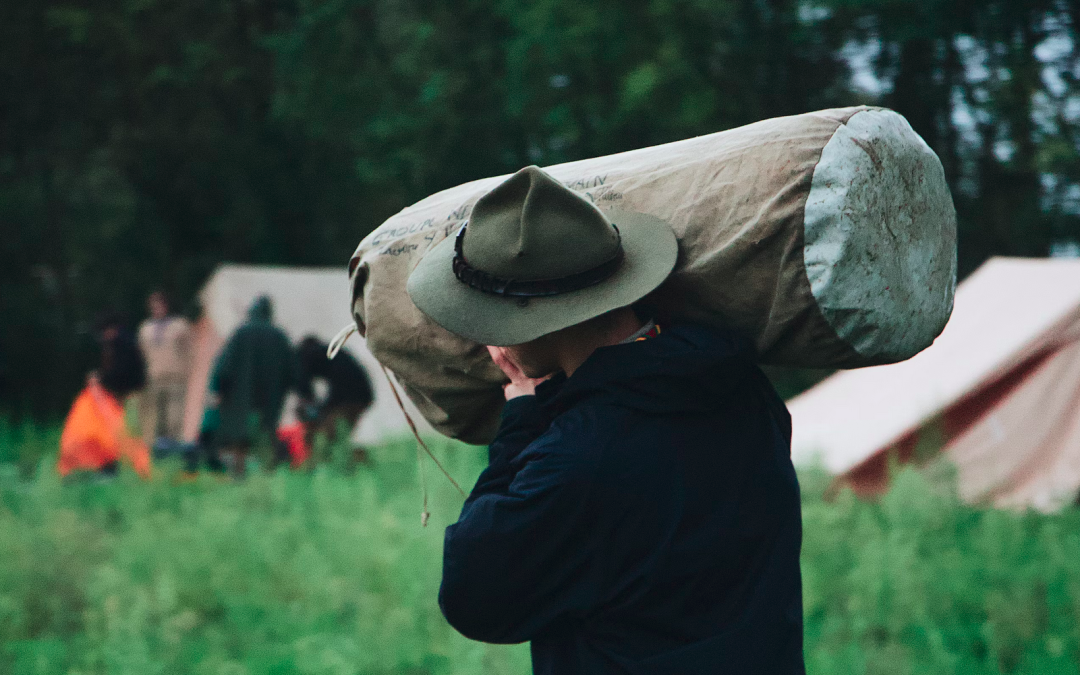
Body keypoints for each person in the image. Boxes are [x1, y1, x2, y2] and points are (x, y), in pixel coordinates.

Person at [406, 166, 804, 673]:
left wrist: (522, 424)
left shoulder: (577, 460)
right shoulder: (740, 387)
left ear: (536, 320)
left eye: (492, 318)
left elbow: (474, 596)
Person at [206, 296, 297, 475]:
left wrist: (218, 389)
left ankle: (238, 473)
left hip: (240, 396)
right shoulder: (279, 336)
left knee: (239, 436)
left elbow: (225, 366)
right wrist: (300, 390)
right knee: (266, 433)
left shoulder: (240, 334)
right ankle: (266, 474)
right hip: (270, 396)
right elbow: (292, 369)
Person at [58, 312, 150, 478]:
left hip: (129, 393)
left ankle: (133, 467)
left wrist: (101, 378)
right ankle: (118, 466)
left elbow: (122, 372)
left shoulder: (123, 344)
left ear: (111, 329)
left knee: (125, 430)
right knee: (119, 431)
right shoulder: (121, 343)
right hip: (124, 393)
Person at [138, 291, 192, 448]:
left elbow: (189, 351)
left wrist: (186, 371)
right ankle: (158, 448)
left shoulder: (180, 326)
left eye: (160, 305)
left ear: (166, 306)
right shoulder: (145, 328)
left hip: (176, 377)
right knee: (156, 415)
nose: (156, 309)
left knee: (174, 415)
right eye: (153, 306)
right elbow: (142, 353)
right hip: (154, 377)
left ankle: (174, 446)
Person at [296, 336, 374, 445]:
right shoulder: (328, 353)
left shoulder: (306, 356)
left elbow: (304, 388)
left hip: (352, 398)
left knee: (328, 437)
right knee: (335, 435)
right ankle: (354, 457)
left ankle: (357, 458)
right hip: (362, 395)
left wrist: (312, 410)